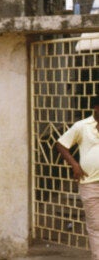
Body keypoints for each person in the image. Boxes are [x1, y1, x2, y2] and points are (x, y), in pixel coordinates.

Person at [56, 95, 99, 259]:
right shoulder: (82, 126)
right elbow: (60, 144)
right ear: (96, 108)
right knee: (96, 226)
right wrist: (74, 165)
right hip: (89, 184)